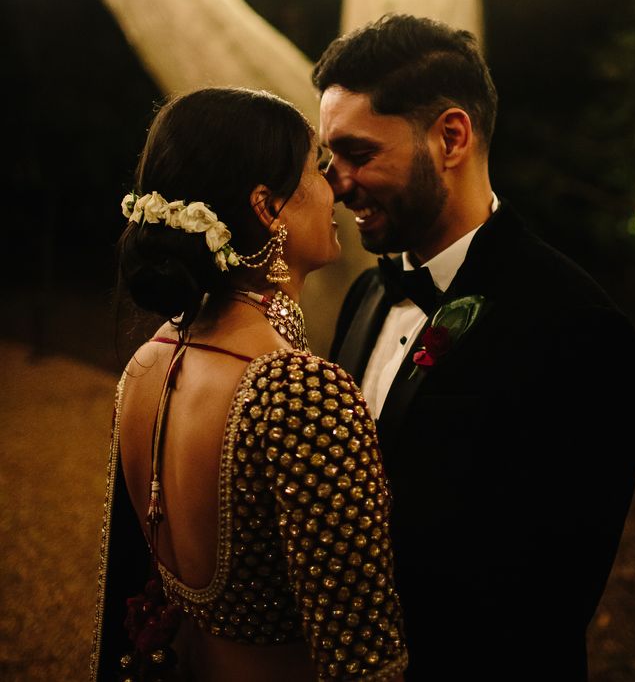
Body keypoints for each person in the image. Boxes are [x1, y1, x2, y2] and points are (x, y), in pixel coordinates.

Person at [313, 14, 635, 680]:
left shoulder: (576, 326)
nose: (336, 181)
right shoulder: (367, 297)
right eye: (329, 159)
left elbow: (553, 597)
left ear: (451, 137)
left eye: (358, 154)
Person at [90, 87, 408, 682]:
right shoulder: (298, 390)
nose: (336, 186)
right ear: (266, 207)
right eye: (316, 168)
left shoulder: (146, 364)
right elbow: (363, 658)